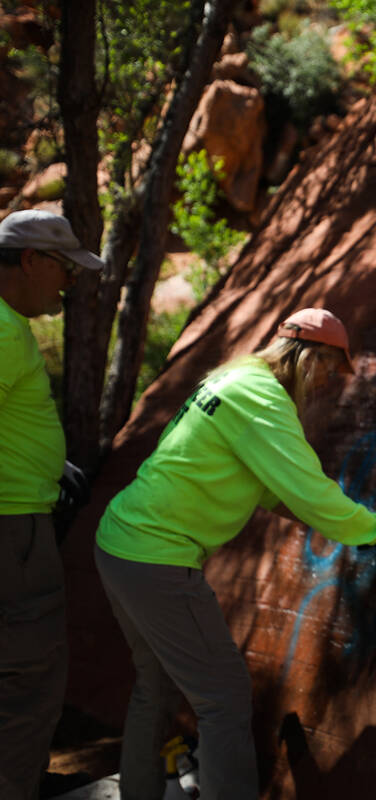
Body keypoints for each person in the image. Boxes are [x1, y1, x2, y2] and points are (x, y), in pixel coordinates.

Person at [94, 307, 376, 800]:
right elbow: (311, 491)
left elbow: (265, 488)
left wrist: (314, 516)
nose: (330, 381)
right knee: (223, 700)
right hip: (158, 560)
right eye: (330, 368)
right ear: (309, 356)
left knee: (153, 686)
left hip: (120, 543)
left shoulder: (234, 377)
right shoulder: (264, 398)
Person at [0, 210, 104, 799]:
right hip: (12, 534)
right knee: (29, 683)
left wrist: (44, 464)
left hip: (17, 517)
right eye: (63, 268)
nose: (67, 282)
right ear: (31, 262)